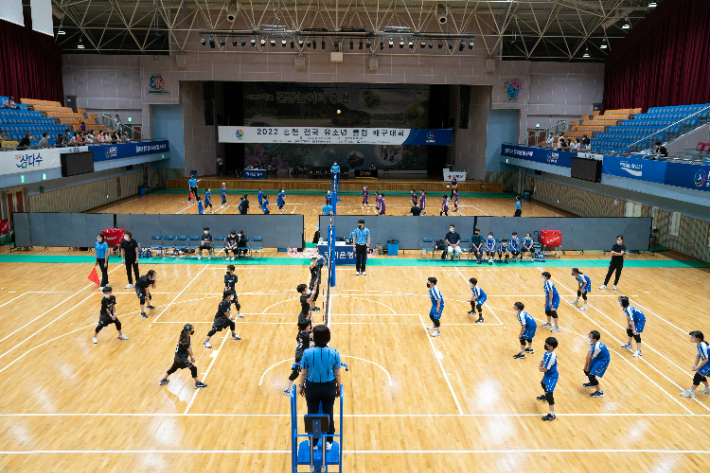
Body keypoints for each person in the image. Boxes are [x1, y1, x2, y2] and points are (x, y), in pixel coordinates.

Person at [297, 325, 342, 452]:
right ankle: (328, 442)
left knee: (313, 414)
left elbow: (304, 373)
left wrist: (301, 386)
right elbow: (337, 373)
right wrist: (338, 387)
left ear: (314, 338)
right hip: (329, 387)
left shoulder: (307, 352)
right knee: (329, 413)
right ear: (328, 338)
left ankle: (314, 443)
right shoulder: (334, 352)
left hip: (312, 387)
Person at [160, 324, 207, 389]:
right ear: (188, 331)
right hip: (181, 359)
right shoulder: (185, 340)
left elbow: (189, 347)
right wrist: (192, 357)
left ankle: (163, 380)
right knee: (193, 368)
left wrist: (191, 355)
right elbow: (188, 349)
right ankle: (197, 383)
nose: (193, 331)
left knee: (173, 368)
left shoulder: (186, 336)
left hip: (177, 356)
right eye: (192, 330)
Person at [284, 320, 312, 395]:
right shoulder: (306, 336)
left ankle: (306, 383)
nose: (309, 327)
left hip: (301, 354)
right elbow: (313, 334)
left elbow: (299, 340)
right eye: (309, 326)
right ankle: (287, 389)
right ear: (306, 327)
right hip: (301, 356)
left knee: (308, 369)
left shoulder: (300, 333)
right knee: (296, 372)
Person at [680, 331, 710, 399]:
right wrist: (695, 365)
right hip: (708, 363)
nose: (691, 338)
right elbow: (698, 355)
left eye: (692, 336)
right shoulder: (698, 344)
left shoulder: (703, 346)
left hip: (708, 364)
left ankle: (690, 392)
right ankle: (708, 389)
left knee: (697, 376)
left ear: (697, 339)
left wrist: (698, 368)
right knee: (700, 374)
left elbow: (706, 359)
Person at [537, 337, 559, 421]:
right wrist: (540, 365)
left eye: (547, 344)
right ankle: (545, 396)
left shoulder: (551, 357)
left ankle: (551, 414)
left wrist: (540, 368)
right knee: (543, 383)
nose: (545, 345)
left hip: (552, 376)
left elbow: (545, 369)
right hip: (547, 374)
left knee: (550, 394)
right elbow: (542, 360)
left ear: (551, 346)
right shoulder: (547, 352)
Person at [584, 330, 610, 398]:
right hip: (598, 358)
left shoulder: (597, 347)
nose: (588, 337)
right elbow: (588, 354)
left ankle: (599, 392)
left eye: (589, 336)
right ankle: (592, 383)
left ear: (594, 339)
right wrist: (585, 365)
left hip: (603, 360)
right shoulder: (592, 343)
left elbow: (590, 357)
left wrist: (588, 366)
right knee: (586, 370)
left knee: (591, 376)